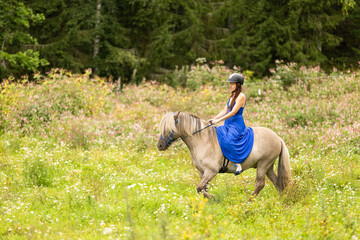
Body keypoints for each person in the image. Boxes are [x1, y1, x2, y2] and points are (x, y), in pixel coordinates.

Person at [208, 73, 254, 175]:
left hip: (236, 124)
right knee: (218, 135)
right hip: (228, 122)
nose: (230, 86)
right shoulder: (233, 95)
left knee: (229, 140)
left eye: (232, 84)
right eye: (230, 84)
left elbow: (233, 112)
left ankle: (238, 162)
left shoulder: (241, 96)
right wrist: (214, 119)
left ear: (238, 85)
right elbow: (225, 110)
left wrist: (219, 121)